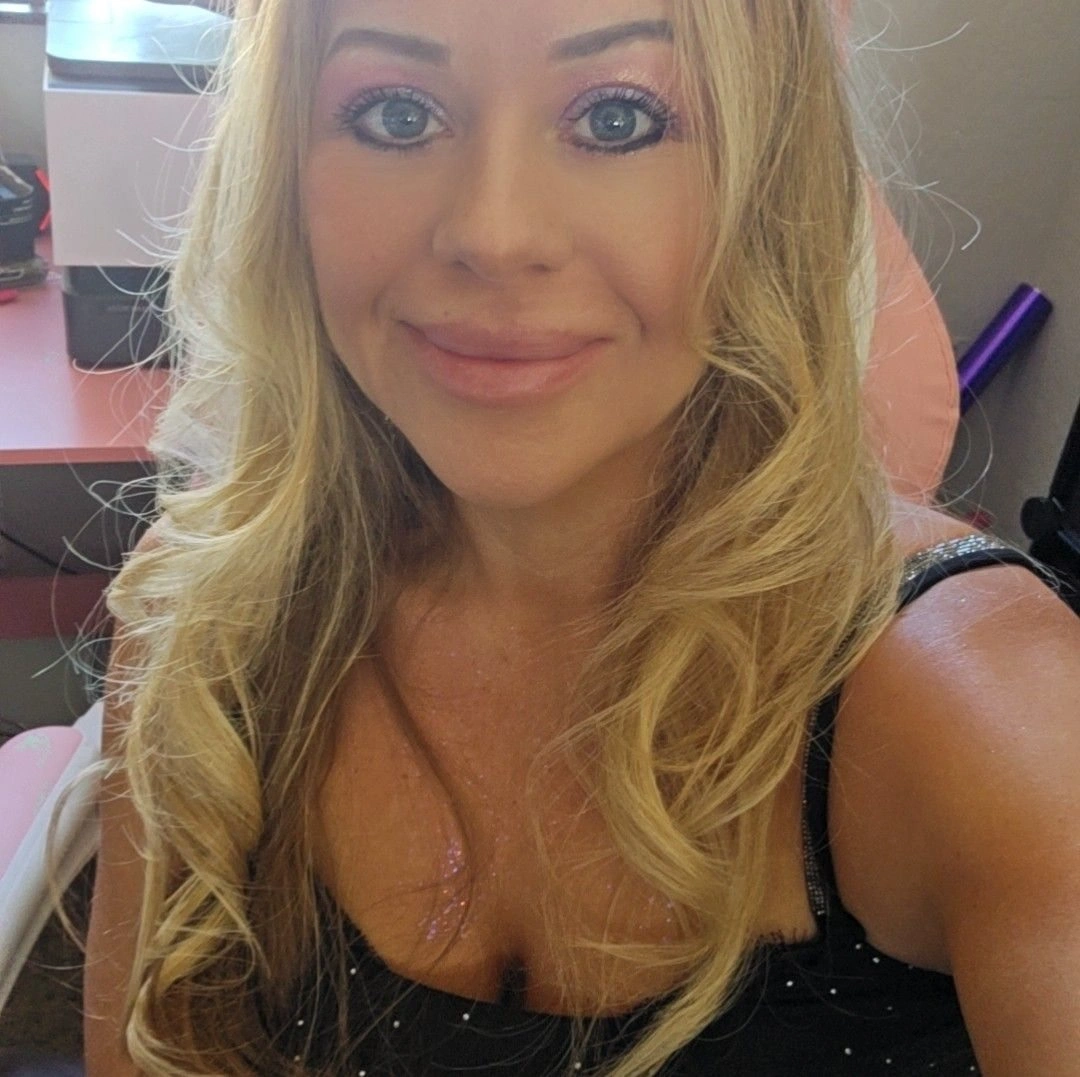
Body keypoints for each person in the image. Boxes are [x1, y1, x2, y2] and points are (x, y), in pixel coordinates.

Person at [82, 0, 1080, 1074]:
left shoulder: (978, 706)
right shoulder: (209, 623)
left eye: (617, 119)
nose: (492, 233)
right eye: (396, 114)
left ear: (769, 177)